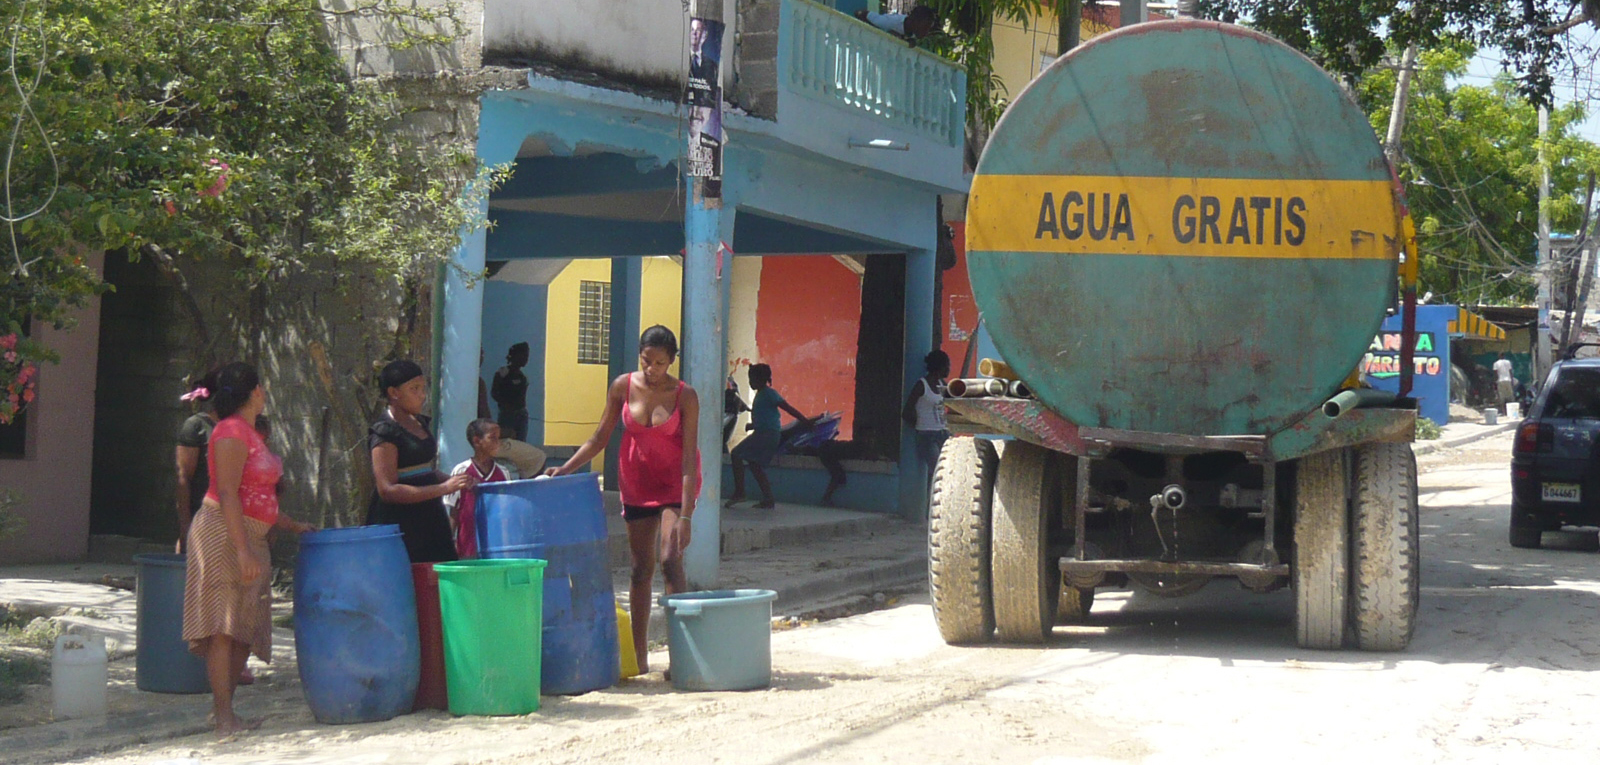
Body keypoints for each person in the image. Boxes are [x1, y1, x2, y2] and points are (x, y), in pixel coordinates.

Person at [546, 325, 699, 675]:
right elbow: (600, 436)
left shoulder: (685, 396)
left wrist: (687, 515)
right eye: (646, 361)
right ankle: (638, 658)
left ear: (671, 361)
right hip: (637, 482)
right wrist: (566, 468)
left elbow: (690, 456)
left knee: (670, 559)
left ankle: (683, 657)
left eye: (660, 363)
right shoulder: (622, 386)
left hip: (676, 484)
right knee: (640, 568)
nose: (652, 369)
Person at [180, 362, 314, 737]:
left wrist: (289, 524)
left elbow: (258, 493)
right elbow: (226, 493)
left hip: (248, 538)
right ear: (255, 391)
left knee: (243, 627)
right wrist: (241, 550)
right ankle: (224, 719)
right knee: (224, 628)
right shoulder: (230, 432)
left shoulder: (250, 433)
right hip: (224, 536)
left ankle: (223, 711)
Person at [368, 359, 473, 563]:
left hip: (430, 517)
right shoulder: (385, 432)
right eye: (413, 389)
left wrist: (458, 481)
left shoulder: (420, 423)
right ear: (394, 393)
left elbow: (424, 471)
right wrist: (443, 488)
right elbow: (387, 490)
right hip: (401, 523)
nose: (422, 395)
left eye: (423, 388)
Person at [728, 363, 812, 509]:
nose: (750, 382)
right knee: (755, 465)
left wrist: (805, 421)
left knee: (736, 454)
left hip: (766, 435)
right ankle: (768, 499)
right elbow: (767, 418)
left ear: (761, 379)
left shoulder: (769, 394)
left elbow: (788, 408)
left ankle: (740, 492)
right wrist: (752, 426)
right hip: (765, 433)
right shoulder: (761, 395)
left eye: (752, 379)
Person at [443, 419, 519, 560]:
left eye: (498, 438)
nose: (498, 442)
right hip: (467, 546)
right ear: (477, 441)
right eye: (492, 438)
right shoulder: (462, 470)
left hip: (496, 546)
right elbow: (454, 511)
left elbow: (508, 510)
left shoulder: (504, 473)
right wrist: (448, 544)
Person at [174, 381, 218, 554]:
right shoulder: (196, 426)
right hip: (200, 513)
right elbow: (183, 477)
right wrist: (185, 527)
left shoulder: (239, 426)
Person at [903, 350, 951, 489]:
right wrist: (920, 425)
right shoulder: (921, 385)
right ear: (939, 367)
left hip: (943, 433)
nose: (949, 369)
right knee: (938, 471)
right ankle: (932, 505)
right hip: (927, 435)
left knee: (948, 469)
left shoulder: (943, 385)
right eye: (947, 366)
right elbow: (906, 412)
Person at [492, 342, 531, 442]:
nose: (526, 359)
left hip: (521, 414)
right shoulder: (503, 373)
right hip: (507, 415)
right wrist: (506, 405)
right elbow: (494, 393)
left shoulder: (522, 376)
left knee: (520, 443)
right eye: (523, 355)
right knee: (507, 443)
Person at [854, 4, 937, 42]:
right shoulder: (891, 22)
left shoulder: (912, 34)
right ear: (915, 21)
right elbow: (860, 13)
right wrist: (884, 32)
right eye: (925, 28)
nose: (927, 32)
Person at [723, 375, 749, 451]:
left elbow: (742, 405)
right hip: (729, 416)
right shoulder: (729, 394)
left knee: (725, 438)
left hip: (730, 416)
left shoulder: (731, 394)